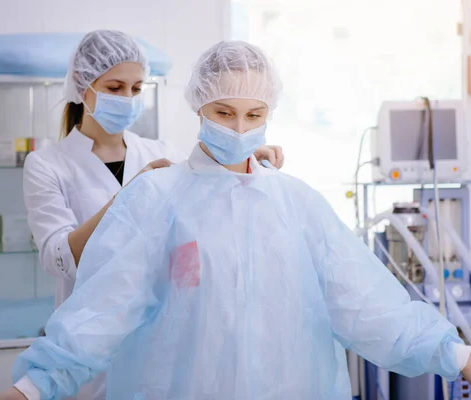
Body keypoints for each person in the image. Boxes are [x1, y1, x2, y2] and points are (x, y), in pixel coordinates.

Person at [0, 41, 471, 400]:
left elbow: (367, 303)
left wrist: (455, 353)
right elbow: (103, 309)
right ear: (198, 106)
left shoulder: (297, 205)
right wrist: (33, 386)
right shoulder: (156, 198)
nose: (239, 127)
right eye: (223, 113)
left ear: (269, 114)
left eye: (253, 115)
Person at [23, 30, 285, 400]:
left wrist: (244, 157)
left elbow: (203, 196)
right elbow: (59, 258)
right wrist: (128, 198)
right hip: (88, 340)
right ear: (83, 88)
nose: (128, 98)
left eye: (136, 88)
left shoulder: (159, 151)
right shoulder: (48, 164)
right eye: (115, 87)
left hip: (159, 340)